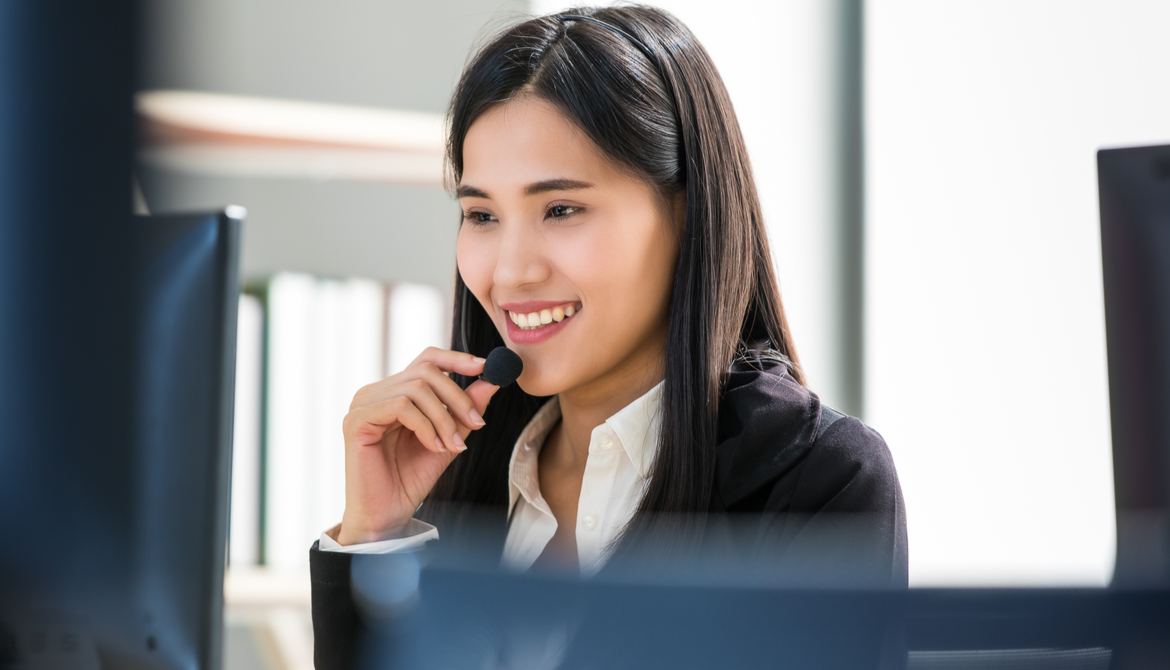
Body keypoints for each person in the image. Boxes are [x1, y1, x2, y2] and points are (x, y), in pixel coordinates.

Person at [310, 5, 906, 668]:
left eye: (561, 209)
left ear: (685, 213)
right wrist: (378, 538)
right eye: (481, 214)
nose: (510, 270)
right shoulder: (458, 476)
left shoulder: (816, 482)